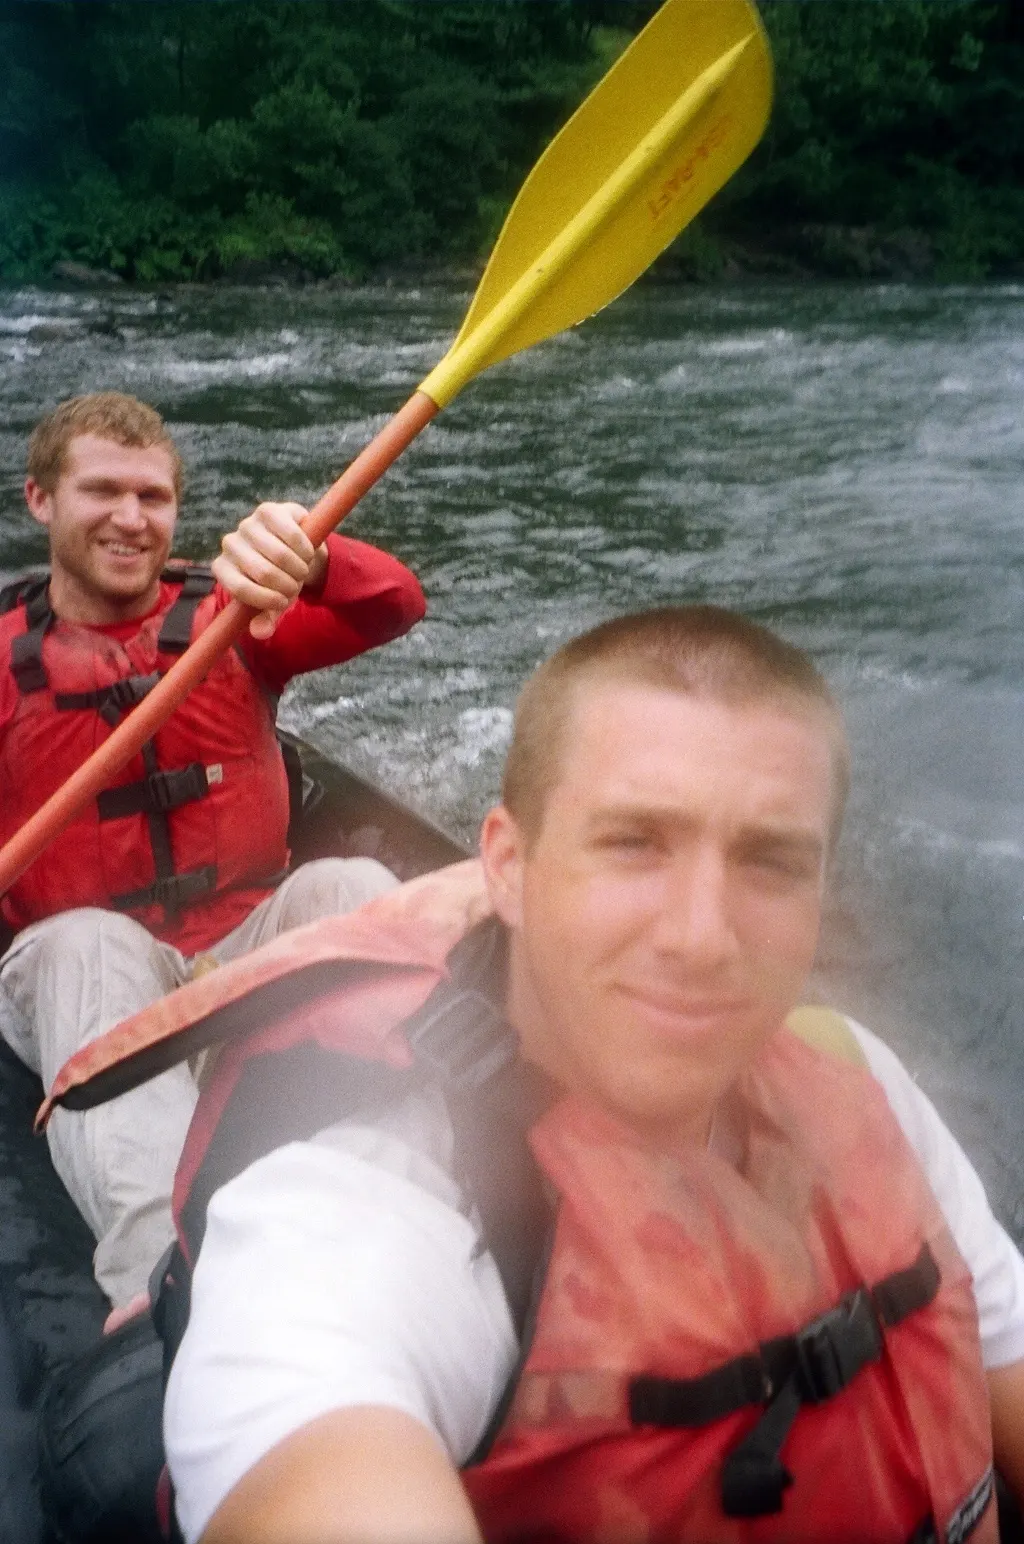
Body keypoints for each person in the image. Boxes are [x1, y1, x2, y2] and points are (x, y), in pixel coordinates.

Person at [56, 607, 1023, 1541]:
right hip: (90, 932)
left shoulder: (861, 1077)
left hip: (246, 906)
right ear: (506, 865)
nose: (702, 937)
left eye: (770, 862)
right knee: (80, 950)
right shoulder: (367, 1221)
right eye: (633, 842)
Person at [0, 391, 425, 1312]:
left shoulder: (239, 613)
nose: (129, 518)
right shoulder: (2, 659)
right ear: (40, 501)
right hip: (80, 976)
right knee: (87, 944)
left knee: (352, 882)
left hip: (238, 948)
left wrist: (311, 560)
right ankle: (168, 1281)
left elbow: (395, 602)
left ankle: (407, 1190)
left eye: (152, 498)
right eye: (101, 491)